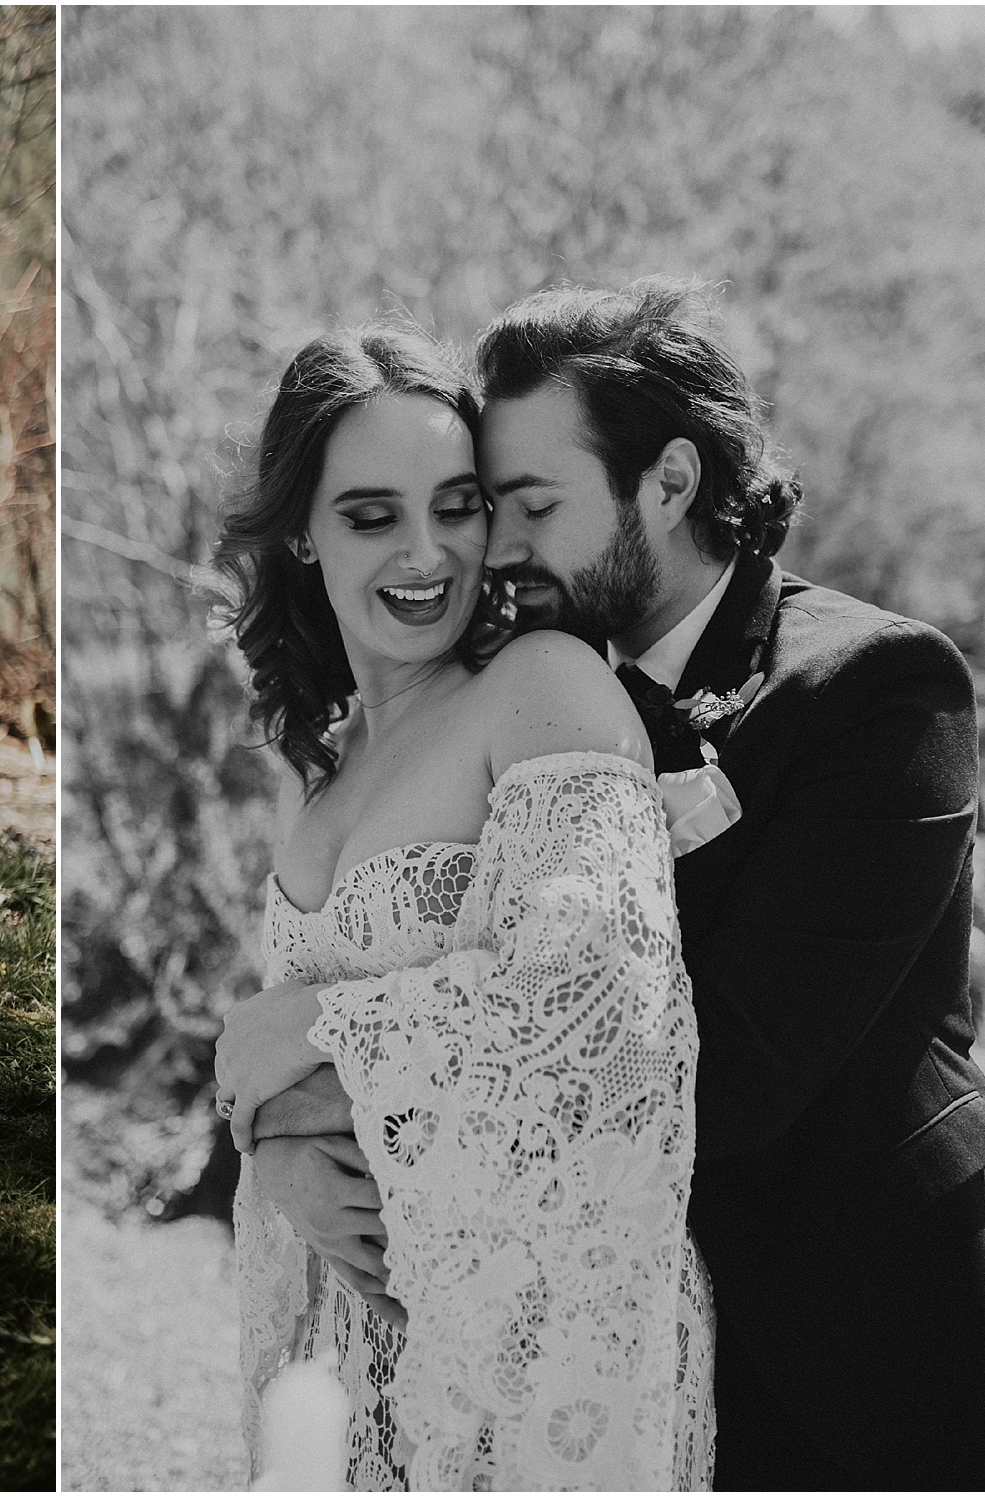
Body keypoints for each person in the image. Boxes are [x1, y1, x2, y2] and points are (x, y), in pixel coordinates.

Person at [251, 278, 985, 1489]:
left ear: (667, 485)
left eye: (523, 505)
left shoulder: (879, 690)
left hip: (862, 1316)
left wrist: (298, 1083)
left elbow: (718, 1073)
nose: (494, 549)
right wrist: (276, 1142)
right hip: (616, 1310)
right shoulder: (531, 684)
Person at [211, 322, 716, 1490]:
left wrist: (311, 1030)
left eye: (457, 504)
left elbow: (603, 1006)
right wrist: (274, 1145)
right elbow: (296, 1084)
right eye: (370, 514)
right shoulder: (325, 761)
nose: (427, 552)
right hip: (355, 1355)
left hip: (530, 1358)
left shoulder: (538, 687)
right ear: (299, 531)